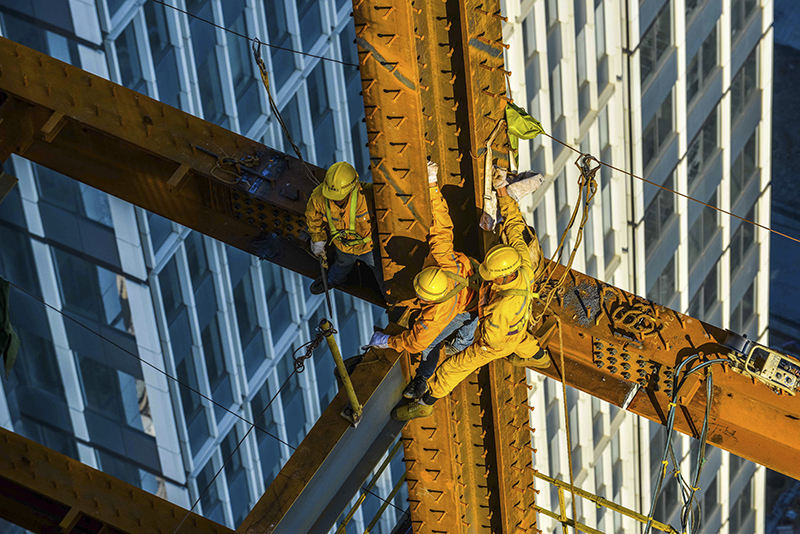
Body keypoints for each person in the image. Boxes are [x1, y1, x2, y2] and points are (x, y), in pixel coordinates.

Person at [391, 167, 551, 421]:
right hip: (517, 321)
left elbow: (487, 337)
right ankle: (540, 356)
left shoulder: (498, 310)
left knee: (454, 367)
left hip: (496, 340)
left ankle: (426, 403)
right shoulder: (520, 260)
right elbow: (513, 223)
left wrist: (483, 311)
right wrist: (502, 193)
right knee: (520, 337)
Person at [363, 161, 480, 399]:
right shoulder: (442, 259)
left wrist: (388, 341)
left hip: (468, 304)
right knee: (471, 317)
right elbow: (441, 223)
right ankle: (462, 340)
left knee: (433, 342)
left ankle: (423, 380)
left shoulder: (438, 312)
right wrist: (431, 184)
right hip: (477, 287)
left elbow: (417, 343)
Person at [305, 161, 385, 297]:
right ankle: (332, 281)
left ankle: (389, 298)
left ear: (352, 188)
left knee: (382, 275)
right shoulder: (319, 197)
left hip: (370, 247)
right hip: (343, 246)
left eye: (339, 197)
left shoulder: (368, 195)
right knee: (341, 266)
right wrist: (318, 240)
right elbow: (313, 218)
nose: (336, 201)